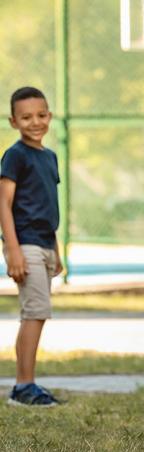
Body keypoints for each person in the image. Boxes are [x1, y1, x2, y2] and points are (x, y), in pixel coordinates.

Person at [0, 86, 63, 406]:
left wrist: (57, 251)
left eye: (41, 115)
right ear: (13, 121)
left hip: (45, 245)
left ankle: (25, 385)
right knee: (35, 313)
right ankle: (24, 386)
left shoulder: (49, 157)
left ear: (49, 116)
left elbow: (47, 206)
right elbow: (4, 204)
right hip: (24, 244)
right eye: (26, 117)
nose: (35, 122)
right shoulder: (15, 156)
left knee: (36, 314)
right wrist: (12, 249)